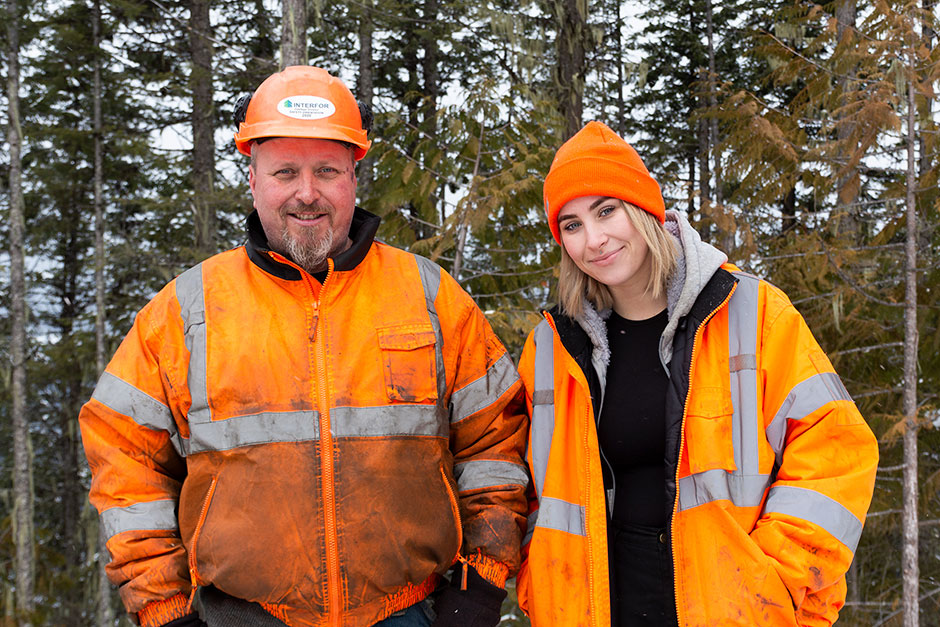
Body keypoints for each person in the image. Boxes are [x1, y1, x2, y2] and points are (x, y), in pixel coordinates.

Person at [78, 65, 529, 627]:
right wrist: (165, 609)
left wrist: (479, 587)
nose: (307, 192)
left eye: (327, 170)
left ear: (354, 178)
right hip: (242, 617)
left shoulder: (430, 298)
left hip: (409, 613)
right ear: (252, 178)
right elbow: (125, 457)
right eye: (285, 171)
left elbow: (497, 443)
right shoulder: (188, 310)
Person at [515, 121, 879, 626]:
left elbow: (837, 449)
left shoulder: (751, 312)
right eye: (572, 225)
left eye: (606, 210)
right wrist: (543, 585)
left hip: (727, 608)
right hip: (595, 608)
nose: (593, 239)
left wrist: (776, 582)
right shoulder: (553, 347)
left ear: (643, 210)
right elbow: (527, 486)